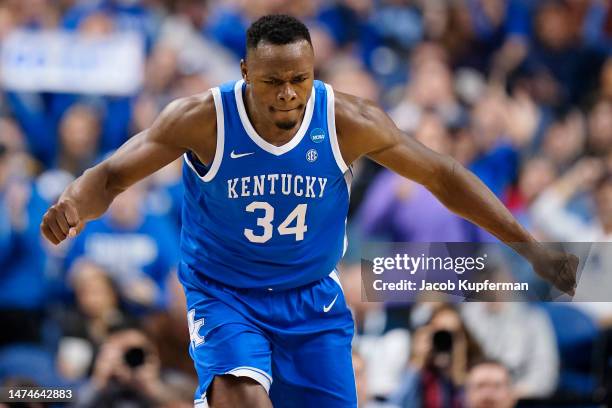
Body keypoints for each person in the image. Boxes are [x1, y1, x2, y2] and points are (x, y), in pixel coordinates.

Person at [40, 14, 578, 408]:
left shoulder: (348, 119)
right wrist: (73, 204)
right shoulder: (202, 118)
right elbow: (112, 176)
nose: (288, 96)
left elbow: (445, 176)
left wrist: (529, 248)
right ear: (245, 71)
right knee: (241, 397)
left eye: (300, 80)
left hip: (312, 299)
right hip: (226, 294)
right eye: (273, 82)